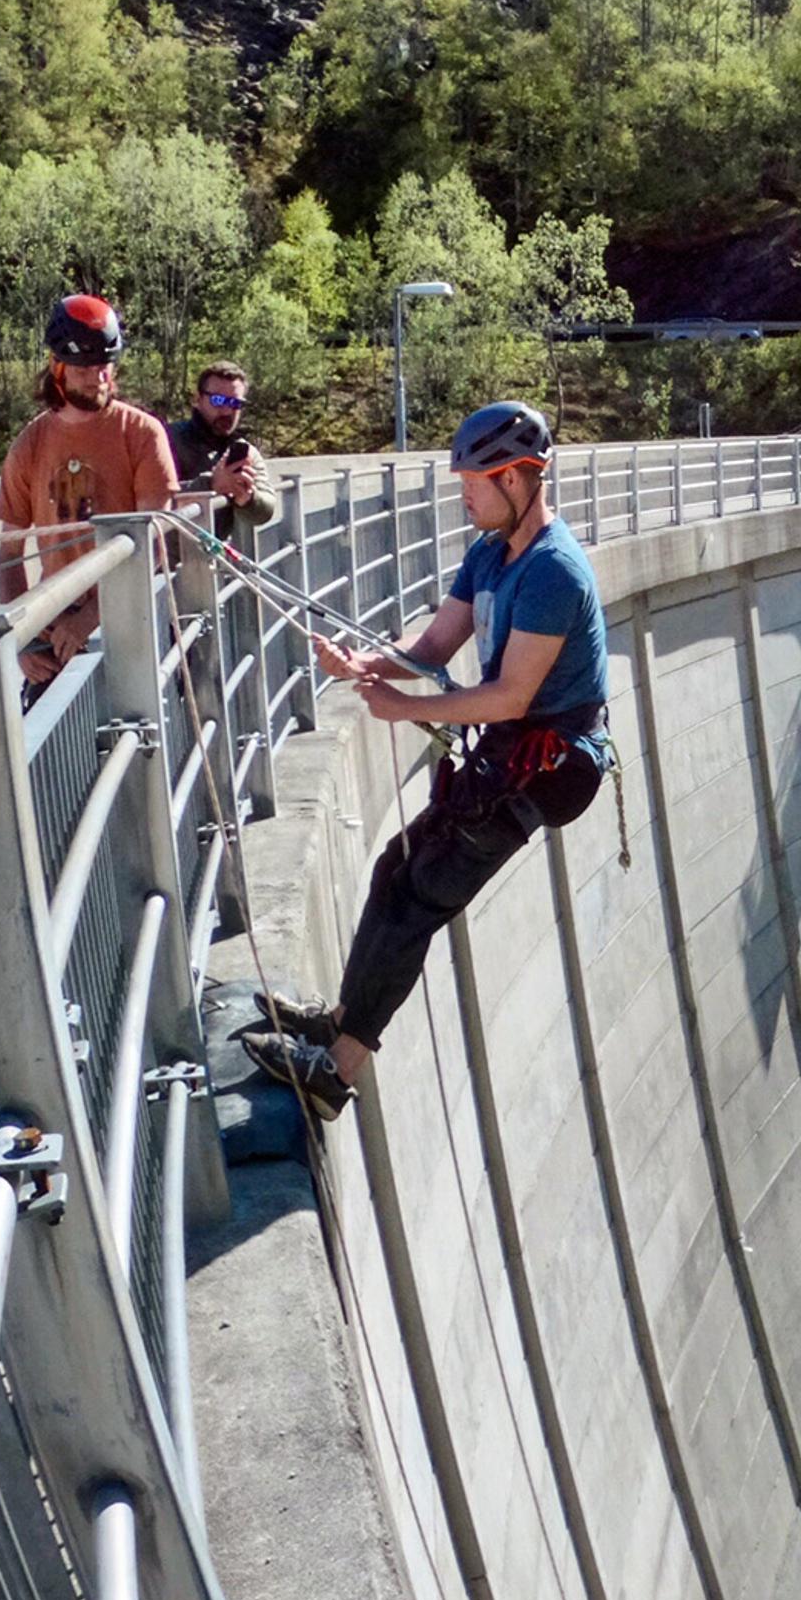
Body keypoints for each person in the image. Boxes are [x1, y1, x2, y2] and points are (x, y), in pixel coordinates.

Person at [240, 400, 613, 1120]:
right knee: (394, 869)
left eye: (474, 482)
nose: (463, 495)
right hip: (517, 747)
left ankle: (335, 1075)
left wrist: (406, 708)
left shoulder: (554, 572)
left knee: (422, 894)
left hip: (552, 759)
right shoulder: (490, 551)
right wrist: (363, 665)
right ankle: (340, 1020)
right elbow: (435, 647)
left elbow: (509, 696)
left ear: (515, 478)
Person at [0, 295, 181, 701]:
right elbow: (10, 553)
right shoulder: (29, 445)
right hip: (55, 638)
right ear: (57, 366)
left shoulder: (142, 434)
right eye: (85, 367)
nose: (98, 377)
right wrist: (21, 639)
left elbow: (153, 543)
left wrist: (93, 618)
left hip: (133, 627)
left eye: (105, 365)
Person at [166, 360, 281, 540]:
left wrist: (247, 497)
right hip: (166, 563)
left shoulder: (244, 451)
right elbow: (150, 501)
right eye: (218, 401)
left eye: (235, 403)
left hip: (215, 559)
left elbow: (266, 510)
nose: (227, 411)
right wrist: (212, 485)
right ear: (198, 399)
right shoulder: (167, 440)